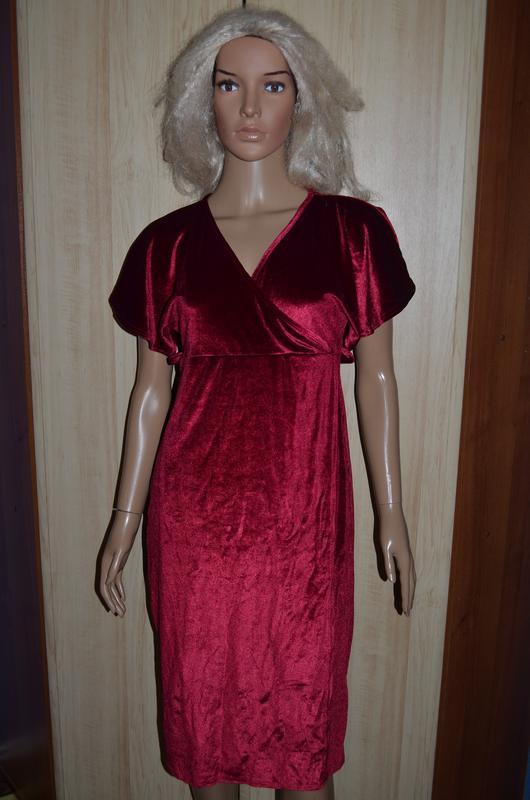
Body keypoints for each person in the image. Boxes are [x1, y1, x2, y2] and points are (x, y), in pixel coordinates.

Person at [98, 8, 417, 799]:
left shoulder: (353, 234)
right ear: (200, 100)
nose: (249, 108)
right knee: (207, 733)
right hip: (193, 528)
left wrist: (392, 510)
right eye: (228, 86)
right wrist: (125, 519)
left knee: (300, 739)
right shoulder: (166, 246)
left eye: (272, 86)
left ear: (301, 98)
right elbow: (150, 392)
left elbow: (376, 379)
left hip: (304, 526)